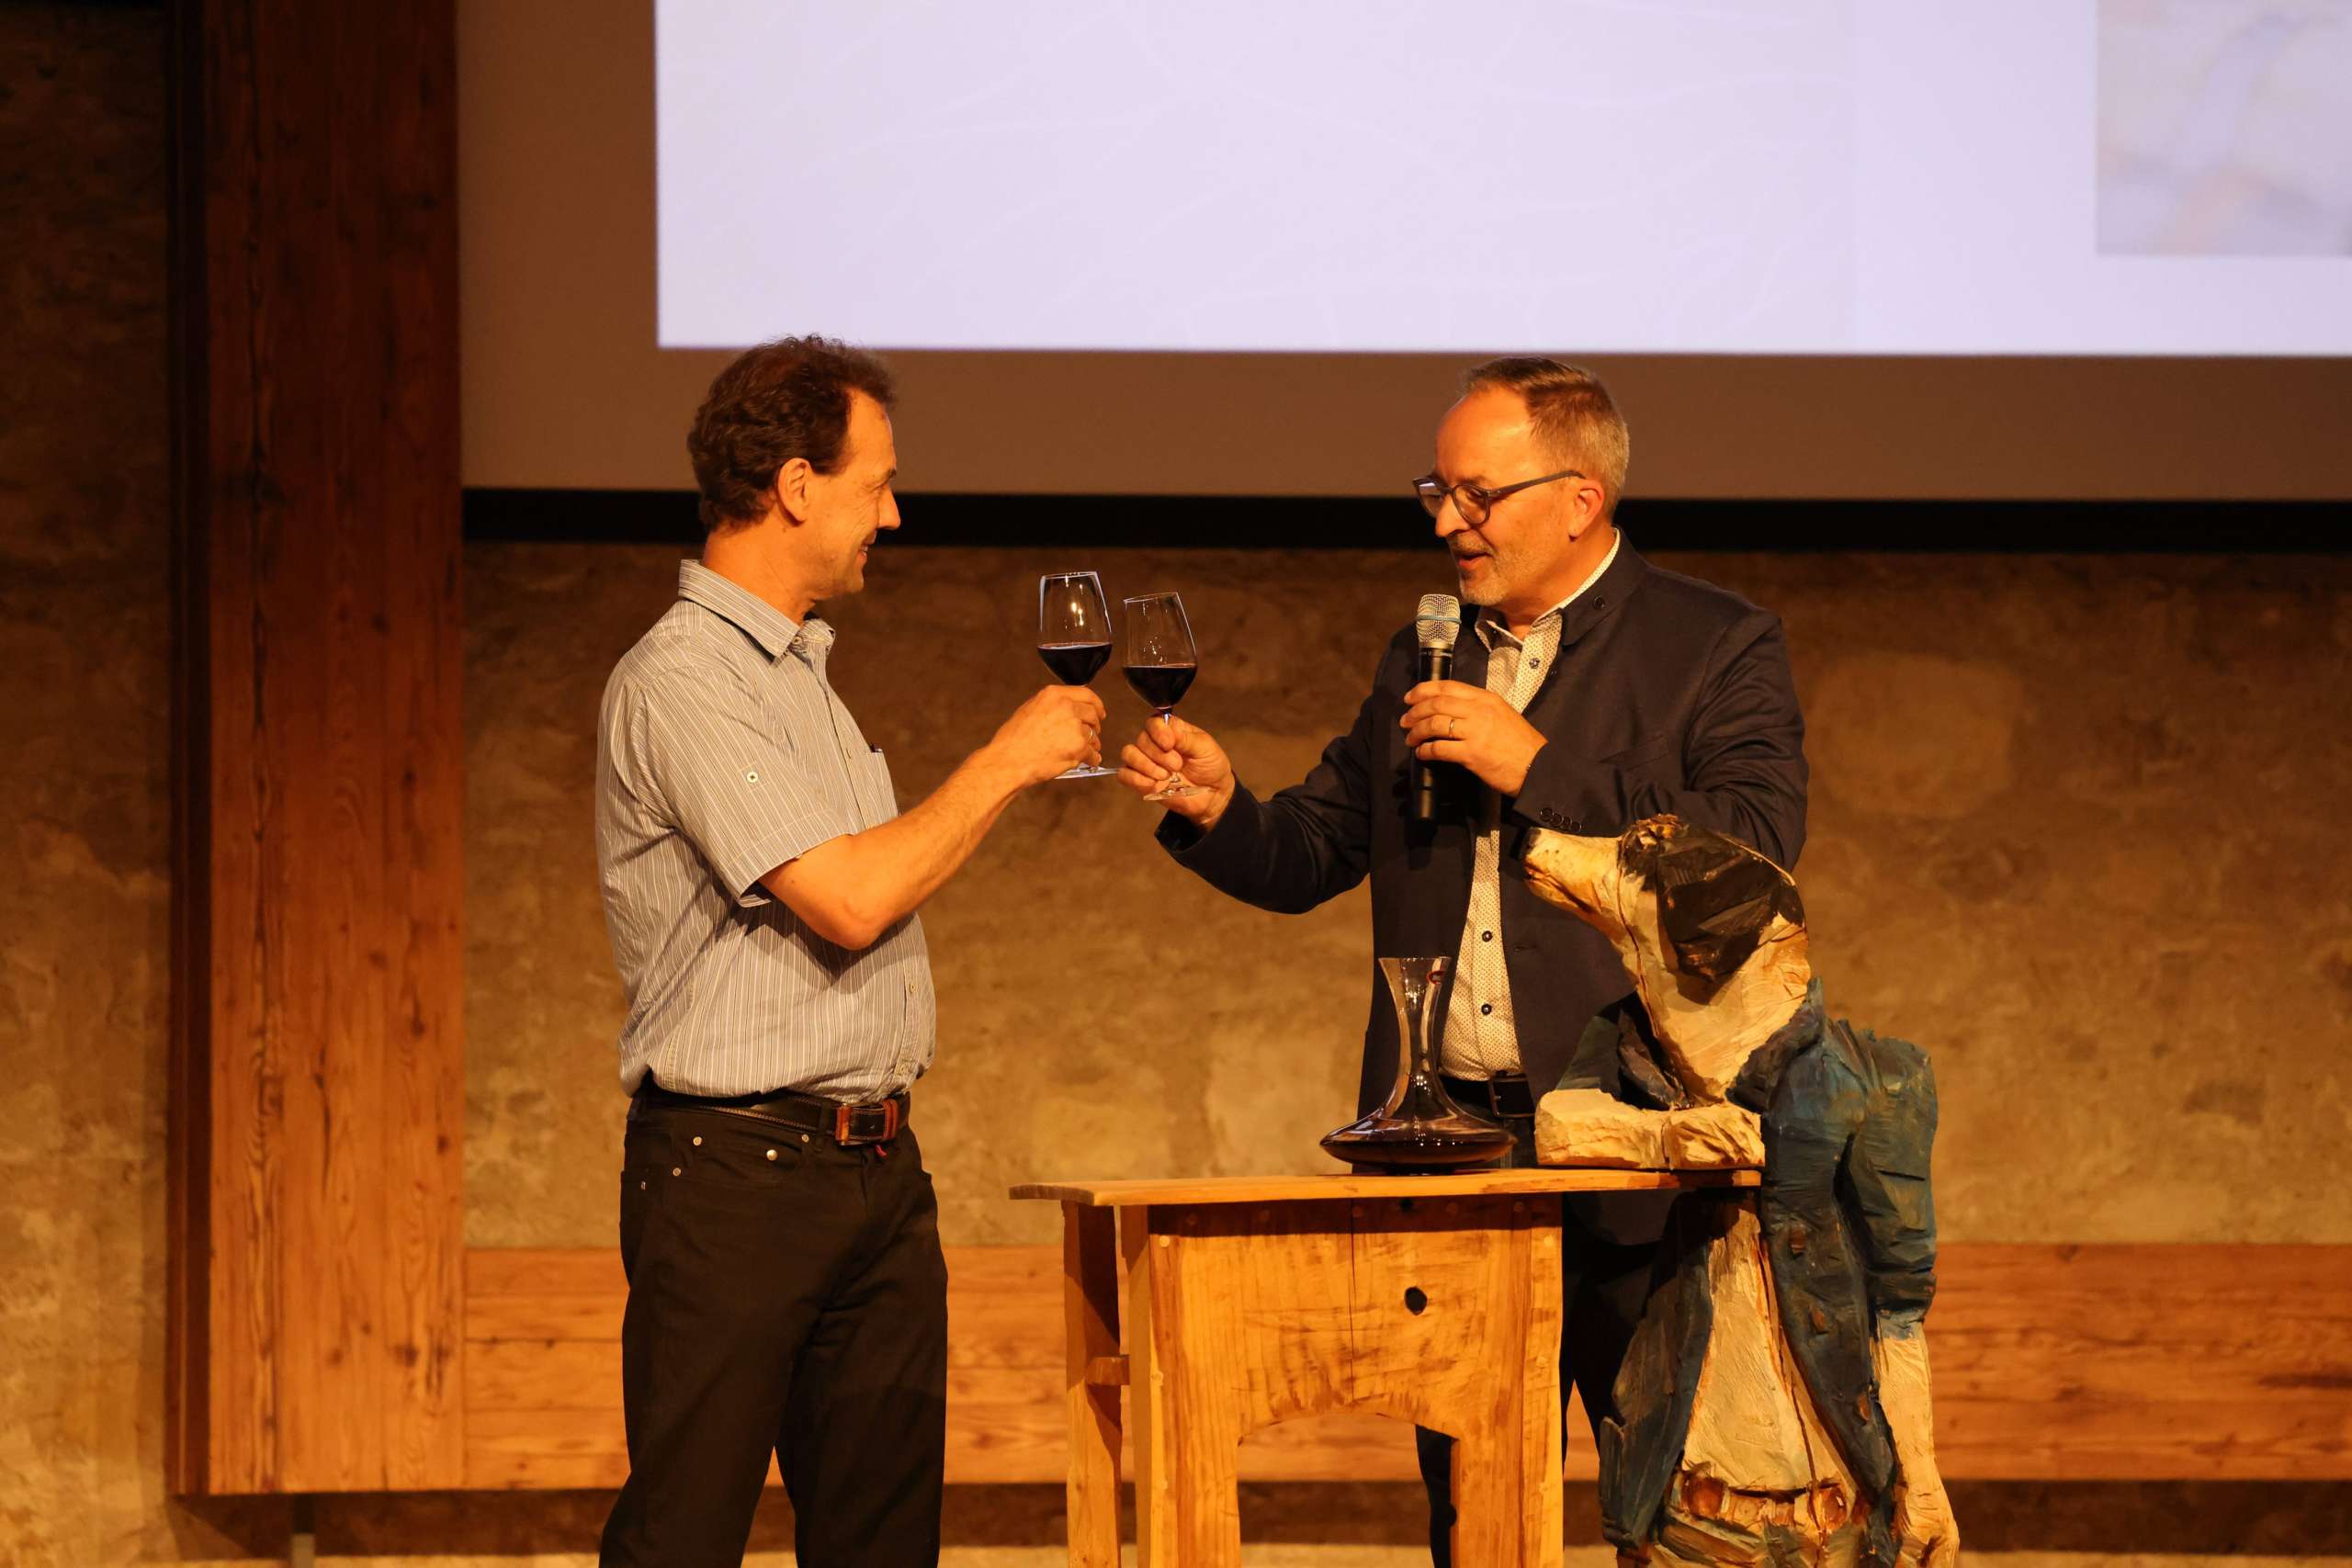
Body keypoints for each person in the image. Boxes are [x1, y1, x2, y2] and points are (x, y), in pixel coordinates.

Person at [1116, 357, 1808, 1566]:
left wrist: (1536, 766)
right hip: (1459, 1150)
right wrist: (1218, 811)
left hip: (1642, 1154)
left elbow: (1751, 854)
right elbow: (1320, 848)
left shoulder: (1714, 643)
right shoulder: (1426, 650)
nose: (1447, 520)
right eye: (1437, 490)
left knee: (1689, 1514)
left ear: (1581, 497)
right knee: (1477, 1520)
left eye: (1475, 494)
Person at [593, 335, 1105, 1568]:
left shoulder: (801, 681)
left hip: (872, 1175)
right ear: (794, 484)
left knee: (881, 1546)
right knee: (685, 1539)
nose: (894, 511)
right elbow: (849, 900)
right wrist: (1007, 762)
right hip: (737, 1179)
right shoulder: (685, 681)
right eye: (875, 482)